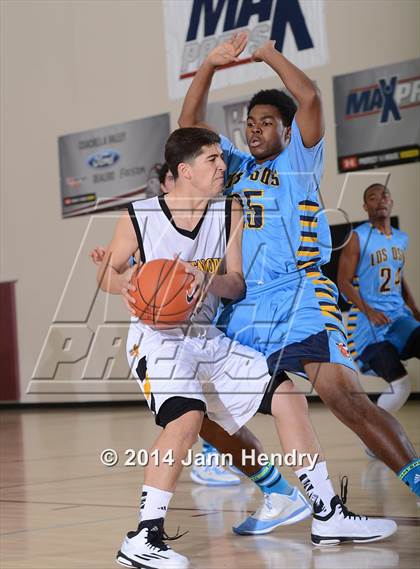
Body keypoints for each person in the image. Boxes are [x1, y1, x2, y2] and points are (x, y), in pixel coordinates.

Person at [97, 128, 395, 568]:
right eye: (213, 160)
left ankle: (328, 513)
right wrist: (136, 283)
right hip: (157, 339)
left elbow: (234, 283)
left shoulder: (229, 211)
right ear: (185, 170)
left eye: (222, 158)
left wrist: (205, 281)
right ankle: (143, 537)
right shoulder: (140, 215)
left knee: (288, 397)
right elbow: (108, 274)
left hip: (205, 335)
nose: (223, 166)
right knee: (187, 415)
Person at [178, 30, 420, 514]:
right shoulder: (237, 169)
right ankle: (281, 494)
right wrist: (208, 65)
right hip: (244, 306)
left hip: (299, 294)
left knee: (343, 398)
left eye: (266, 122)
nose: (254, 130)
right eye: (249, 123)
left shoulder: (298, 161)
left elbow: (308, 96)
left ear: (287, 131)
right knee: (200, 406)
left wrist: (266, 53)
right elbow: (188, 125)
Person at [91, 163, 242, 487]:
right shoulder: (148, 220)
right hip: (163, 333)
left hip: (207, 326)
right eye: (170, 180)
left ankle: (275, 490)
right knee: (189, 411)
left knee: (223, 411)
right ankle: (205, 463)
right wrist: (116, 273)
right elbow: (129, 272)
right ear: (165, 184)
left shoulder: (216, 215)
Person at [337, 183, 420, 455]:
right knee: (401, 385)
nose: (380, 200)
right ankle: (372, 440)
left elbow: (399, 275)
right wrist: (369, 310)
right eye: (372, 197)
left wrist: (414, 308)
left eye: (384, 194)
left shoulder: (400, 239)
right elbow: (343, 282)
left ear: (391, 201)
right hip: (368, 327)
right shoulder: (357, 238)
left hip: (399, 319)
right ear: (365, 207)